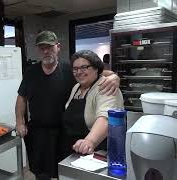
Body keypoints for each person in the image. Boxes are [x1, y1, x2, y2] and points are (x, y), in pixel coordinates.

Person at [15, 31, 119, 180]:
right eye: (42, 48)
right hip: (37, 131)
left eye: (49, 47)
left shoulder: (70, 70)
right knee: (40, 171)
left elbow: (100, 73)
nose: (46, 51)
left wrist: (115, 77)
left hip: (62, 133)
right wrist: (20, 121)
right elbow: (21, 98)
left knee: (62, 170)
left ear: (58, 47)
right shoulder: (31, 72)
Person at [59, 50, 124, 160]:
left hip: (97, 152)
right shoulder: (76, 88)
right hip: (75, 149)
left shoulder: (106, 85)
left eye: (84, 67)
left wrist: (89, 141)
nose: (79, 72)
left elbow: (106, 118)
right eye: (75, 69)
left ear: (96, 68)